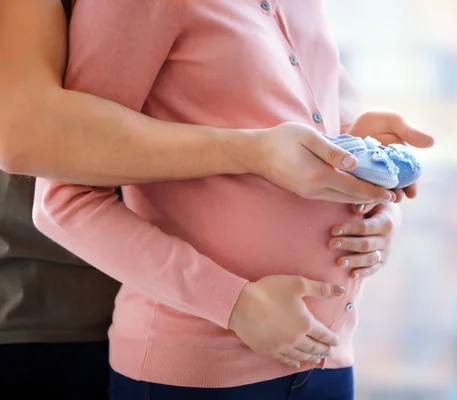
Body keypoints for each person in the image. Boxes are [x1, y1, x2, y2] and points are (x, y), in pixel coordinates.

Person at [31, 1, 434, 399]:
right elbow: (65, 200)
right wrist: (233, 303)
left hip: (329, 357)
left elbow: (319, 133)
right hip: (195, 374)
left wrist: (378, 212)